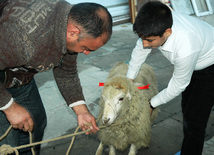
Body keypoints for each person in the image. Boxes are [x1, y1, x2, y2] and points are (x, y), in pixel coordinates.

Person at [0, 0, 112, 154]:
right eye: (86, 48)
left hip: (18, 75)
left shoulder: (66, 19)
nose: (86, 53)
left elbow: (66, 70)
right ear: (73, 32)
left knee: (35, 122)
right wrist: (9, 107)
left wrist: (81, 111)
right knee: (7, 143)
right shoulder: (22, 38)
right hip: (5, 64)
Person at [126, 1, 214, 155]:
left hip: (210, 66)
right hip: (197, 57)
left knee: (195, 120)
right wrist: (129, 79)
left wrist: (152, 104)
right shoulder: (157, 21)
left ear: (167, 32)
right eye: (142, 38)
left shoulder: (185, 46)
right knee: (187, 107)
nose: (145, 44)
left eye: (150, 41)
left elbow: (178, 85)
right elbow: (139, 50)